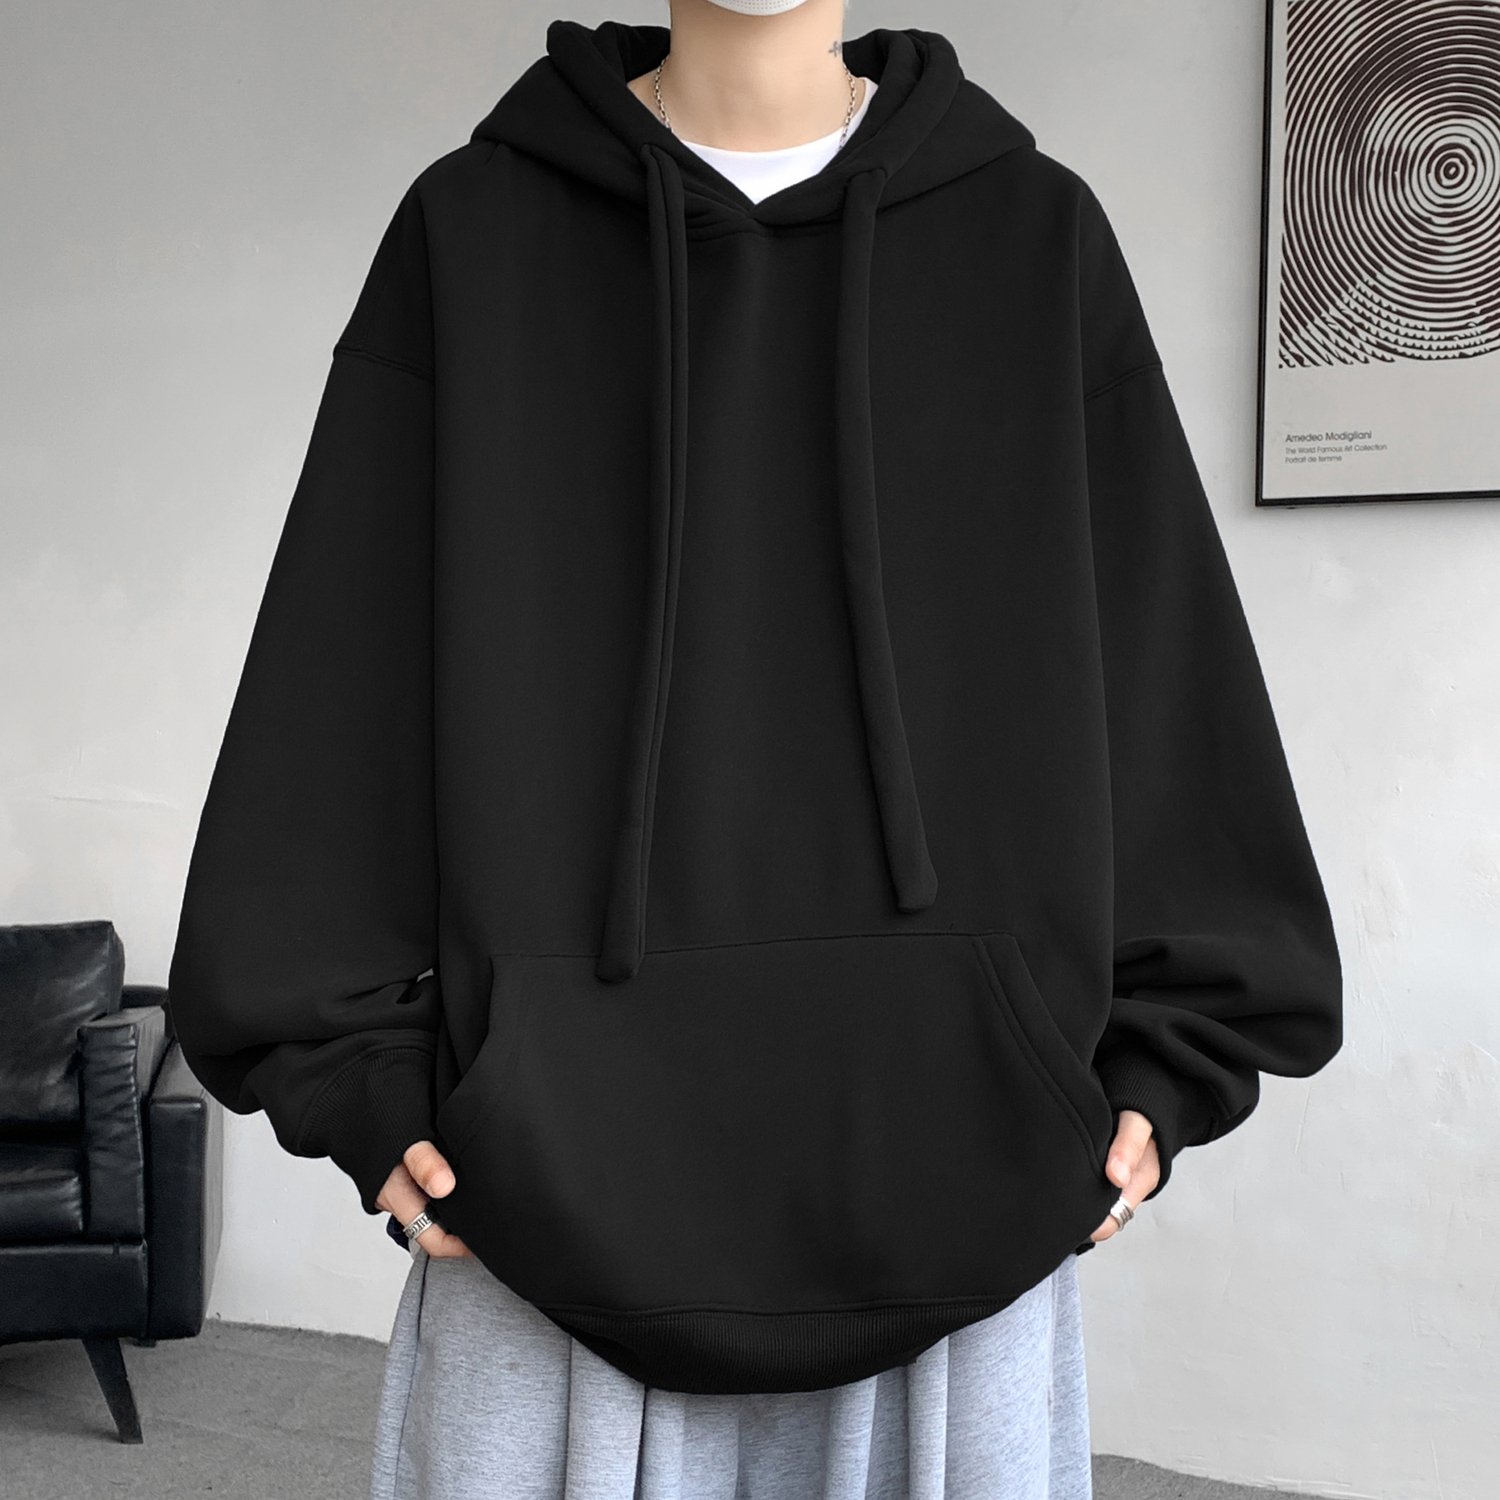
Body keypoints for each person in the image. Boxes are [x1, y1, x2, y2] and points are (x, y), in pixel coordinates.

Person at [167, 2, 1344, 1495]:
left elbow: (1164, 672)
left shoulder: (1033, 237)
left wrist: (1162, 1069)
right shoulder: (470, 232)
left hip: (964, 1197)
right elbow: (341, 675)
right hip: (544, 1206)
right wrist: (356, 1082)